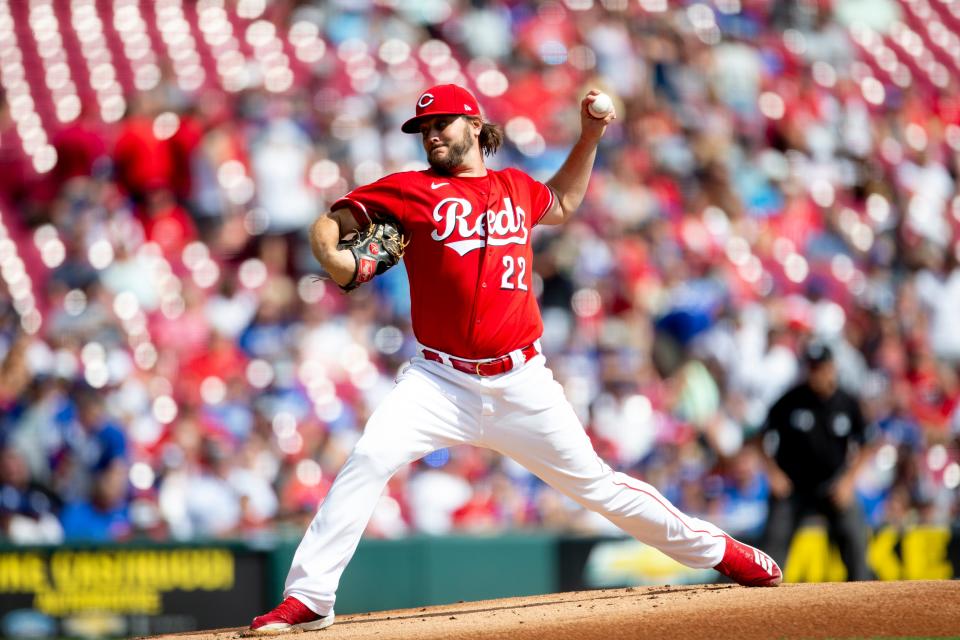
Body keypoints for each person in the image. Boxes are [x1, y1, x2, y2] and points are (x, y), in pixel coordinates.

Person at [250, 84, 782, 633]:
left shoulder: (517, 187)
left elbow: (567, 201)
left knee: (597, 487)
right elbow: (331, 223)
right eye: (424, 129)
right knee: (368, 459)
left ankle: (719, 551)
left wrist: (591, 135)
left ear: (475, 127)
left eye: (443, 124)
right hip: (438, 381)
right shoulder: (410, 190)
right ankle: (310, 597)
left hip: (522, 380)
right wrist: (331, 253)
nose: (432, 135)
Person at [758, 341, 874, 581]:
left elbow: (867, 443)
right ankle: (761, 603)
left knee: (855, 539)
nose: (815, 374)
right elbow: (758, 438)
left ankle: (862, 598)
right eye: (811, 368)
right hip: (793, 488)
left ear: (832, 368)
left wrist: (849, 481)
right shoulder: (790, 400)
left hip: (833, 486)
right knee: (772, 548)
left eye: (820, 367)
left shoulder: (847, 403)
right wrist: (773, 473)